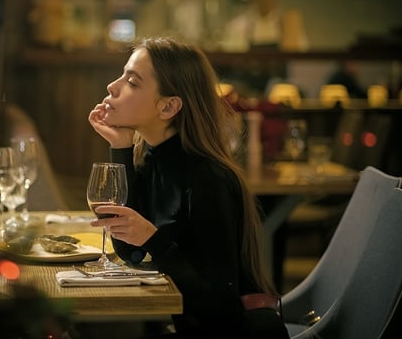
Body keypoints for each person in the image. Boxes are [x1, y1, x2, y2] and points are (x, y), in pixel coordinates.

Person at [88, 37, 289, 338]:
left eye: (131, 81)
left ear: (168, 106)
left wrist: (152, 239)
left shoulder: (209, 178)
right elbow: (130, 251)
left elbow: (220, 307)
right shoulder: (149, 159)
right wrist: (120, 147)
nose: (112, 87)